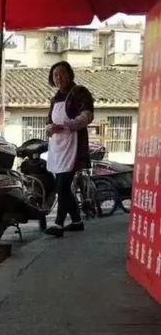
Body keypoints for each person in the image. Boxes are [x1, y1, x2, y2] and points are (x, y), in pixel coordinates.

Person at [44, 61, 94, 238]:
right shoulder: (55, 98)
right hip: (58, 146)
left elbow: (87, 115)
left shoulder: (80, 92)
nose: (59, 78)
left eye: (62, 73)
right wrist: (50, 128)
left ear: (70, 74)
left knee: (63, 185)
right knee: (62, 186)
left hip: (74, 145)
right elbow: (49, 121)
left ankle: (58, 224)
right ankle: (77, 221)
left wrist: (70, 124)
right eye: (55, 75)